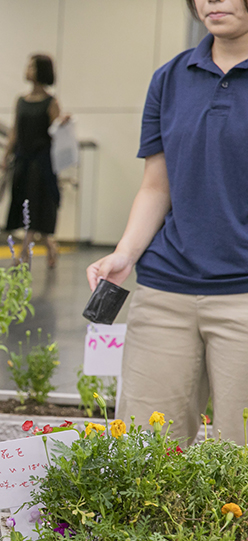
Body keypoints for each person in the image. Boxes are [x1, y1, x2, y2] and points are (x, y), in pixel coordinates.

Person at [86, 0, 248, 446]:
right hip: (165, 289)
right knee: (143, 452)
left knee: (240, 456)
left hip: (244, 295)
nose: (212, 1)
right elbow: (157, 186)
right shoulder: (170, 78)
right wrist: (125, 254)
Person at [4, 53, 65, 268]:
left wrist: (63, 122)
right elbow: (14, 131)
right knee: (26, 206)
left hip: (42, 164)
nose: (27, 70)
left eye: (32, 66)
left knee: (36, 206)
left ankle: (23, 254)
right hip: (23, 160)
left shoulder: (51, 102)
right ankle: (51, 245)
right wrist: (6, 155)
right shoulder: (20, 101)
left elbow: (58, 132)